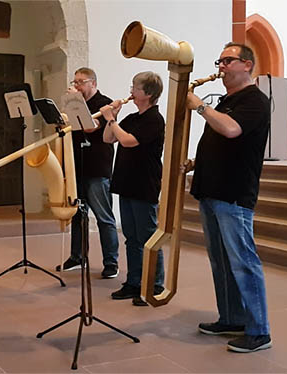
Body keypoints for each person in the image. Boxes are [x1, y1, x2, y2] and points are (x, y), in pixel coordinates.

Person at [185, 42, 272, 353]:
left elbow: (233, 131)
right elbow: (222, 141)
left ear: (247, 65)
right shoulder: (227, 100)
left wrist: (199, 106)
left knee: (243, 262)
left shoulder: (255, 101)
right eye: (219, 61)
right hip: (211, 189)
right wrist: (196, 163)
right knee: (221, 261)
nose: (220, 66)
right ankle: (233, 317)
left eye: (227, 61)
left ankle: (259, 331)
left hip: (233, 194)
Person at [100, 72, 165, 306]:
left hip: (144, 185)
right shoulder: (132, 117)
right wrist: (112, 118)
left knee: (147, 237)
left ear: (147, 93)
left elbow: (128, 141)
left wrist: (113, 121)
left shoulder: (154, 120)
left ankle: (155, 284)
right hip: (126, 184)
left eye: (135, 88)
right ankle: (134, 282)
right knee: (131, 238)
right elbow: (109, 138)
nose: (130, 92)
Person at [56, 67, 120, 279]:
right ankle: (77, 257)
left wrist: (76, 104)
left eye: (81, 82)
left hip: (97, 167)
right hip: (77, 166)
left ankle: (111, 262)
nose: (77, 86)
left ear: (93, 83)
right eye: (75, 82)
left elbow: (91, 126)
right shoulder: (75, 102)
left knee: (104, 217)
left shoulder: (105, 103)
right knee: (78, 215)